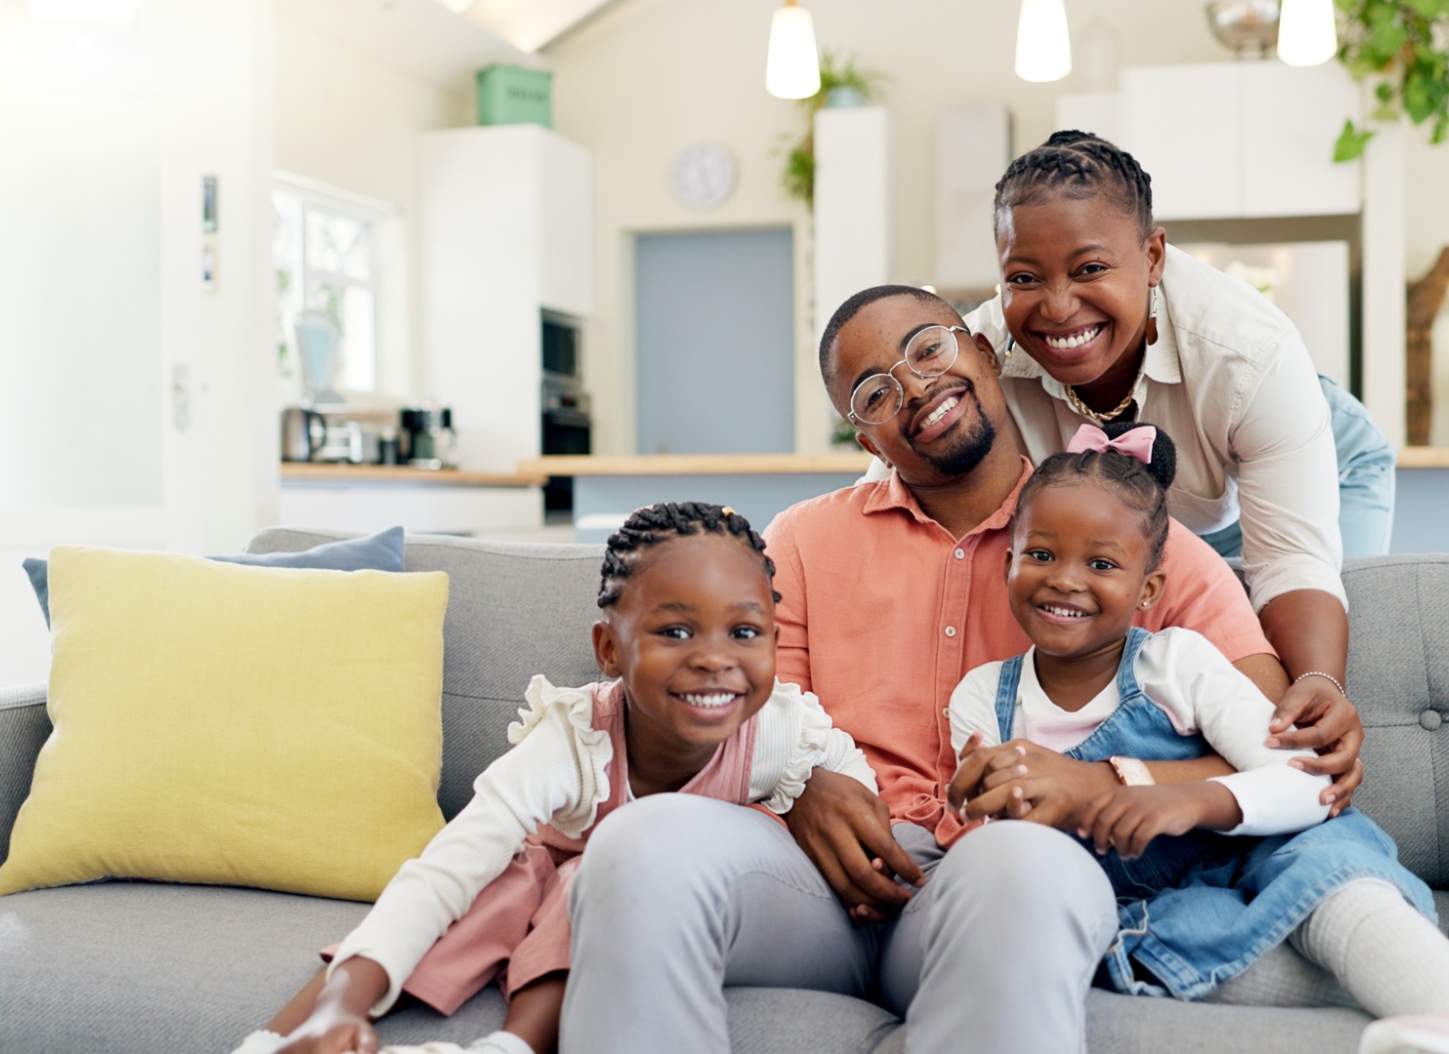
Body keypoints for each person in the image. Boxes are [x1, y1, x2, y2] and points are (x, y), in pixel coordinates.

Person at [560, 286, 1334, 1054]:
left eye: (928, 348)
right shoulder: (798, 542)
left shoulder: (1123, 535)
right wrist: (799, 788)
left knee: (1022, 861)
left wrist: (1102, 782)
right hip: (808, 892)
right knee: (639, 843)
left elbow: (1278, 747)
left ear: (985, 351)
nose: (916, 386)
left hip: (996, 882)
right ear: (865, 439)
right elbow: (742, 710)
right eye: (875, 393)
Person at [946, 422, 1449, 1054]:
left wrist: (1188, 799)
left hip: (1265, 849)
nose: (1064, 580)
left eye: (1102, 563)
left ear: (1148, 590)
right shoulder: (983, 698)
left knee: (1328, 881)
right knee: (1169, 962)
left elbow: (1307, 779)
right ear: (1008, 563)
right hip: (1150, 907)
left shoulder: (1176, 663)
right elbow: (1001, 841)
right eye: (1041, 555)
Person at [232, 503, 877, 1054]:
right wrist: (343, 1003)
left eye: (744, 632)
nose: (714, 658)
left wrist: (838, 831)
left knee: (586, 882)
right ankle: (294, 1032)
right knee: (498, 884)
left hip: (613, 901)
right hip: (537, 879)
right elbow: (447, 867)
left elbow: (853, 785)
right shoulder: (574, 739)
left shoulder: (779, 732)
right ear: (609, 650)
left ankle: (514, 1045)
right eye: (676, 631)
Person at [970, 129, 1374, 767]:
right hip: (1133, 528)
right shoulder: (977, 358)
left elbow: (1291, 558)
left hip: (1318, 461)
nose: (1058, 306)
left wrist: (1320, 683)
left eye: (1090, 269)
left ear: (1153, 256)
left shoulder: (1249, 352)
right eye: (1024, 277)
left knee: (1321, 648)